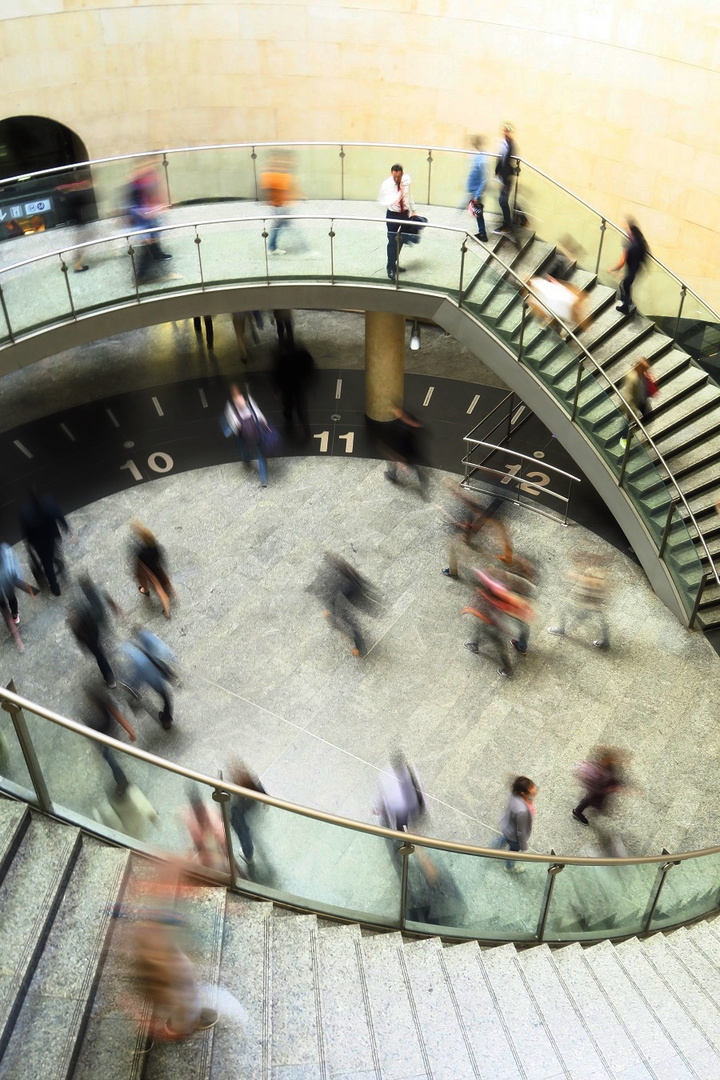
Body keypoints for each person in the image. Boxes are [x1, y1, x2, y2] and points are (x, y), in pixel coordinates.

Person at [463, 568, 534, 678]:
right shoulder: (495, 590)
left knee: (499, 646)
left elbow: (489, 617)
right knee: (481, 628)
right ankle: (474, 645)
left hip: (494, 625)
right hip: (497, 620)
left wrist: (470, 610)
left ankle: (509, 670)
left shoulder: (494, 599)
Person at [315, 553, 379, 658]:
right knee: (354, 618)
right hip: (351, 595)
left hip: (344, 601)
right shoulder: (348, 574)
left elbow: (337, 598)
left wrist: (335, 612)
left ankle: (361, 650)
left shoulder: (341, 583)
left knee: (352, 624)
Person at [84, 683, 137, 796]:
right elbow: (117, 715)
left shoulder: (100, 710)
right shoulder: (104, 707)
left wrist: (130, 731)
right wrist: (130, 731)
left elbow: (117, 715)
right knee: (110, 758)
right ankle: (122, 781)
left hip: (103, 737)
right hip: (105, 734)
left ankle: (122, 782)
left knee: (111, 760)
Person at [68, 574, 120, 688]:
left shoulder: (80, 614)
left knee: (100, 656)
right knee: (100, 654)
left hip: (91, 637)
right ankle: (110, 678)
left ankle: (110, 678)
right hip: (94, 632)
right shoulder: (85, 608)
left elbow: (79, 636)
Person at [547, 557, 610, 649]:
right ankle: (606, 641)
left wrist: (575, 576)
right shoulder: (596, 570)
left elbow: (592, 582)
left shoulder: (598, 573)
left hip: (590, 604)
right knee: (601, 621)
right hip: (595, 604)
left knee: (564, 608)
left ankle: (561, 629)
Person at [127, 160, 172, 285]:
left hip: (145, 217)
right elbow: (135, 208)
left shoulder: (142, 182)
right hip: (141, 219)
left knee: (154, 236)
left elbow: (148, 198)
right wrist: (152, 210)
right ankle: (140, 276)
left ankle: (157, 253)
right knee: (147, 244)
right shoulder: (134, 185)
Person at [121, 628, 176, 730]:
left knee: (164, 695)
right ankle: (166, 720)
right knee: (166, 697)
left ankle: (133, 688)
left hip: (147, 673)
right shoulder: (156, 650)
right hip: (154, 676)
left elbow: (137, 673)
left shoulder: (140, 657)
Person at [19, 488, 71, 596]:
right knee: (57, 553)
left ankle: (55, 587)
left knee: (47, 564)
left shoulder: (25, 511)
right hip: (52, 537)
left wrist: (29, 543)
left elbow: (25, 530)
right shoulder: (48, 503)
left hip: (39, 544)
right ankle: (63, 574)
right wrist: (66, 527)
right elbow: (59, 515)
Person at [260, 154, 309, 255]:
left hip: (280, 207)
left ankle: (272, 247)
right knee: (287, 228)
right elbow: (281, 193)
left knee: (279, 227)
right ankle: (306, 249)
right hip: (281, 208)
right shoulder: (279, 176)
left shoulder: (280, 176)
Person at [224, 384, 271, 488]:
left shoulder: (231, 405)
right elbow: (257, 413)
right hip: (255, 431)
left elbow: (234, 422)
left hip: (242, 433)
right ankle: (263, 479)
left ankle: (246, 459)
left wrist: (233, 429)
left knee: (244, 447)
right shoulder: (248, 400)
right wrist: (265, 425)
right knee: (260, 454)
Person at [572, 747, 628, 827]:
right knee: (589, 799)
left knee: (590, 799)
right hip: (596, 791)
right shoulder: (597, 770)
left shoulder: (606, 767)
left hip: (598, 790)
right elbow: (596, 786)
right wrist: (609, 789)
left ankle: (583, 805)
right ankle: (577, 812)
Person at [272, 338, 315, 441]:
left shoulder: (281, 358)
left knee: (288, 405)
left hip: (286, 387)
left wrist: (276, 389)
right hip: (299, 386)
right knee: (301, 407)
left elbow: (277, 374)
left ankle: (289, 423)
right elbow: (309, 366)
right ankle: (305, 427)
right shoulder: (302, 355)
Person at [378, 163, 416, 279]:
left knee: (402, 239)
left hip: (404, 214)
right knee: (392, 241)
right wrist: (401, 192)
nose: (396, 179)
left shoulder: (406, 181)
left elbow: (408, 196)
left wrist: (413, 210)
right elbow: (390, 200)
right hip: (392, 215)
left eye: (398, 177)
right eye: (394, 176)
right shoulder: (387, 184)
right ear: (391, 174)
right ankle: (390, 267)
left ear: (402, 174)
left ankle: (393, 263)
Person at [130, 520, 175, 618]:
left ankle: (166, 609)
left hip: (150, 572)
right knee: (163, 580)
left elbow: (140, 566)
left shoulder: (142, 553)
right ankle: (171, 592)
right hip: (157, 567)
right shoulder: (156, 547)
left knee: (158, 589)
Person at [382, 405, 429, 498]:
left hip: (403, 452)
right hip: (410, 451)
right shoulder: (406, 421)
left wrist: (400, 460)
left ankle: (393, 475)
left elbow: (397, 441)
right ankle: (423, 483)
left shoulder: (399, 426)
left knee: (395, 461)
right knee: (413, 466)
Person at [492, 776, 537, 872]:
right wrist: (523, 845)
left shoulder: (514, 794)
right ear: (523, 793)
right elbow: (520, 831)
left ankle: (494, 852)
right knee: (512, 853)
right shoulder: (522, 810)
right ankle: (509, 867)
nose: (534, 788)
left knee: (503, 838)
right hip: (514, 837)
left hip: (507, 826)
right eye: (531, 787)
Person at [609, 219, 650, 316]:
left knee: (624, 285)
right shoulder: (640, 242)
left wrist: (612, 269)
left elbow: (622, 262)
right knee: (626, 284)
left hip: (631, 269)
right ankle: (628, 302)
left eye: (628, 230)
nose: (627, 232)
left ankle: (625, 306)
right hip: (636, 269)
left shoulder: (630, 245)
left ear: (631, 232)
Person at [228, 761, 267, 863]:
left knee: (243, 833)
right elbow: (260, 787)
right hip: (248, 807)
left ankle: (248, 854)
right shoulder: (252, 782)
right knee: (245, 830)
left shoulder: (238, 789)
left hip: (239, 812)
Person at [619, 357, 652, 447]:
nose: (646, 370)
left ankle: (634, 431)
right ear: (639, 367)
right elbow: (628, 396)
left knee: (646, 417)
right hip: (632, 404)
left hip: (641, 400)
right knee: (630, 421)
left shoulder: (641, 374)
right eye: (644, 368)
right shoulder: (632, 378)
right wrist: (634, 410)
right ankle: (624, 439)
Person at [494, 123, 517, 238]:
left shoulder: (511, 145)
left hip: (507, 179)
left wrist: (506, 182)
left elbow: (509, 164)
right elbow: (500, 158)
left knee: (503, 201)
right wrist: (497, 172)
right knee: (502, 200)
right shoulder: (504, 143)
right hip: (503, 177)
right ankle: (510, 221)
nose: (505, 133)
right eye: (504, 131)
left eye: (507, 131)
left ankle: (507, 225)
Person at [466, 135, 488, 242]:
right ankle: (482, 232)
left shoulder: (482, 159)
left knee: (478, 213)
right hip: (474, 190)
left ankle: (483, 234)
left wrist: (477, 195)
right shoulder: (478, 156)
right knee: (478, 213)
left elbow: (484, 179)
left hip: (477, 191)